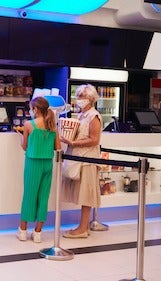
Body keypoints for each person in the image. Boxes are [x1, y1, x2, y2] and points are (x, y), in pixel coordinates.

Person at [15, 97, 61, 243]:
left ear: (35, 109)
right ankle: (38, 232)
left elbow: (24, 146)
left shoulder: (29, 124)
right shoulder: (52, 126)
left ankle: (23, 231)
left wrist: (21, 136)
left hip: (33, 163)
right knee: (43, 197)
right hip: (47, 163)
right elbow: (58, 147)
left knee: (29, 195)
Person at [60, 84, 102, 239]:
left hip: (88, 160)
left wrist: (73, 143)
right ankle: (83, 226)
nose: (79, 100)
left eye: (82, 97)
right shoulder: (81, 115)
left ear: (91, 99)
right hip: (79, 158)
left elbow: (94, 140)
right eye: (78, 96)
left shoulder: (94, 116)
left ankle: (83, 228)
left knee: (86, 195)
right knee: (82, 193)